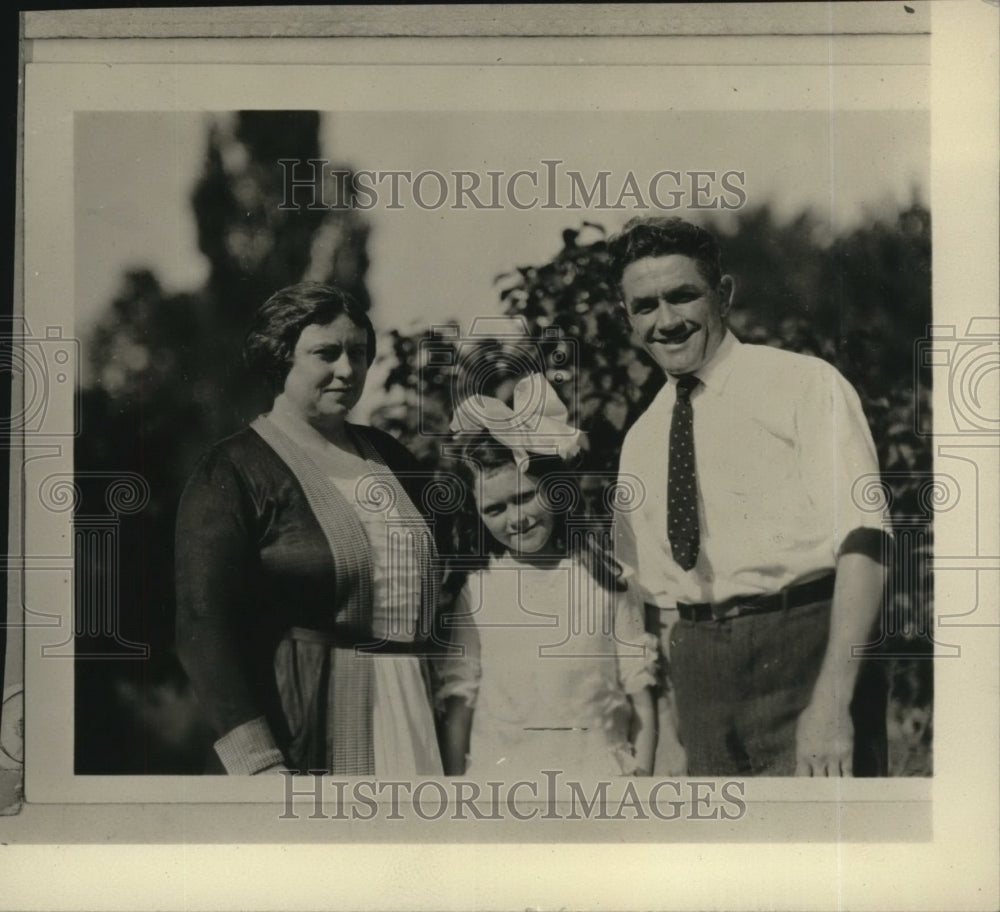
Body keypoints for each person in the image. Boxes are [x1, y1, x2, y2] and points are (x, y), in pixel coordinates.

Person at [610, 216, 890, 777]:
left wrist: (833, 701)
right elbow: (653, 598)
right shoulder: (640, 439)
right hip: (702, 674)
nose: (666, 321)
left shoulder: (803, 384)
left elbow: (867, 541)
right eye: (645, 306)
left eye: (683, 296)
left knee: (825, 854)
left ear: (723, 294)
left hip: (806, 650)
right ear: (629, 319)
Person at [175, 282, 443, 777]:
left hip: (412, 709)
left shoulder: (393, 458)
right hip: (304, 727)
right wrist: (257, 763)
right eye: (327, 353)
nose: (348, 369)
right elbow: (200, 624)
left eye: (359, 353)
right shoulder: (233, 471)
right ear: (281, 357)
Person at [434, 374, 657, 778]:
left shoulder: (605, 577)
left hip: (599, 777)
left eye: (524, 496)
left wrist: (641, 775)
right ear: (477, 516)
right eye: (495, 509)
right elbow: (460, 696)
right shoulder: (478, 587)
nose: (516, 519)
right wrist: (454, 790)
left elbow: (640, 690)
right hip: (503, 782)